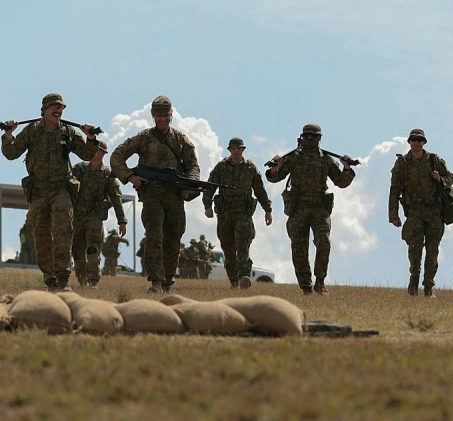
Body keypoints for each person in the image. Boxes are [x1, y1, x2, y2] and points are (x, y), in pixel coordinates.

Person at [1, 93, 99, 291]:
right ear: (44, 110)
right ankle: (50, 279)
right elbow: (11, 154)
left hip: (61, 189)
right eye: (54, 106)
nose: (58, 110)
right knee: (41, 234)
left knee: (63, 229)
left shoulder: (68, 132)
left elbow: (87, 154)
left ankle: (63, 278)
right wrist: (9, 135)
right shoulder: (31, 131)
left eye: (61, 107)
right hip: (38, 191)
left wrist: (91, 137)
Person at [110, 95, 200, 293]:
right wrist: (130, 176)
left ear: (171, 116)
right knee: (154, 236)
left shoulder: (180, 140)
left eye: (165, 115)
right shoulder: (143, 138)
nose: (162, 119)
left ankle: (167, 281)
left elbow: (193, 165)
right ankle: (156, 282)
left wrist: (191, 182)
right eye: (158, 116)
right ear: (153, 116)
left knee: (174, 238)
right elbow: (116, 158)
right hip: (152, 195)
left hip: (175, 196)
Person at [265, 123, 355, 295]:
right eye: (307, 136)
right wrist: (275, 166)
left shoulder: (326, 159)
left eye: (313, 136)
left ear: (319, 138)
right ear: (302, 137)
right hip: (298, 207)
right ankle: (306, 287)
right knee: (299, 247)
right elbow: (275, 178)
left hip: (320, 207)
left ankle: (320, 282)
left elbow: (341, 182)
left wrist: (347, 167)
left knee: (324, 241)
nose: (310, 139)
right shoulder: (293, 158)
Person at [388, 129, 453, 297]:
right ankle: (414, 279)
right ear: (409, 142)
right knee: (414, 249)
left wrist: (440, 179)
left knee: (433, 251)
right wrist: (393, 215)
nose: (416, 142)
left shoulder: (434, 160)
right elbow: (394, 190)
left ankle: (428, 286)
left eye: (419, 140)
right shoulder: (402, 163)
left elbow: (450, 178)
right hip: (414, 212)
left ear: (424, 142)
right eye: (413, 140)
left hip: (434, 212)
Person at [203, 137, 273, 289]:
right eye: (233, 148)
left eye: (239, 148)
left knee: (243, 246)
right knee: (228, 248)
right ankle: (234, 281)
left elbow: (260, 190)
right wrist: (207, 205)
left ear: (243, 150)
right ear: (229, 150)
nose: (236, 151)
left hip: (243, 213)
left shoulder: (250, 168)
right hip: (225, 213)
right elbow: (210, 186)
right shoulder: (221, 167)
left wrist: (268, 210)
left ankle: (244, 277)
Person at [71, 140, 127, 287]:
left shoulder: (107, 175)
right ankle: (81, 279)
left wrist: (122, 221)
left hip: (95, 217)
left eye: (99, 150)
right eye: (94, 149)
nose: (96, 152)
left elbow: (116, 198)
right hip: (76, 216)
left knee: (93, 248)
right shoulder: (79, 169)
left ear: (103, 153)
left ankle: (93, 280)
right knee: (77, 251)